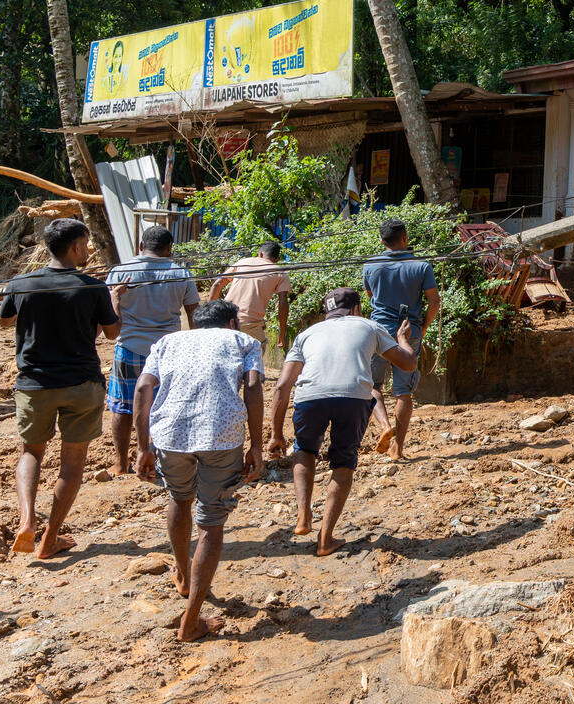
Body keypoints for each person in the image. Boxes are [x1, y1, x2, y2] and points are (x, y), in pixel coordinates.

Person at [133, 300, 264, 642]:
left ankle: (183, 573)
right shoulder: (244, 342)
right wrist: (257, 445)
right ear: (232, 321)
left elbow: (144, 388)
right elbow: (252, 388)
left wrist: (143, 446)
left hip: (170, 434)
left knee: (179, 498)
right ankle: (191, 622)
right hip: (222, 436)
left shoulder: (166, 343)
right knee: (211, 523)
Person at [0, 219, 120, 558]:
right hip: (81, 384)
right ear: (76, 247)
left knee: (31, 452)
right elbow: (111, 333)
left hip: (34, 384)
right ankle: (49, 538)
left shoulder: (21, 282)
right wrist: (114, 303)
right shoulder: (93, 287)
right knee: (73, 462)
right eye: (86, 244)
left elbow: (5, 321)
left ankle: (26, 521)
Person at [266, 288, 416, 555]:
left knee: (305, 450)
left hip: (309, 396)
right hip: (353, 397)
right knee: (344, 462)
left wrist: (275, 433)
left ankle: (303, 515)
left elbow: (281, 386)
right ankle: (325, 539)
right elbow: (408, 364)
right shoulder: (369, 326)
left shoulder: (306, 334)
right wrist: (403, 339)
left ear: (328, 311)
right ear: (357, 308)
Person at [107, 226, 200, 475]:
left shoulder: (120, 272)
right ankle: (156, 459)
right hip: (167, 352)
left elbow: (108, 311)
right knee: (163, 406)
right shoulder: (181, 273)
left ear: (140, 246)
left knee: (123, 406)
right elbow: (194, 314)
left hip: (128, 348)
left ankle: (120, 463)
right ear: (169, 249)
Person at [361, 219, 439, 460]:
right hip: (408, 331)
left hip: (377, 332)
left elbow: (370, 296)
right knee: (403, 393)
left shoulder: (370, 265)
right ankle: (398, 448)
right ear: (405, 238)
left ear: (382, 241)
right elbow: (434, 302)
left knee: (373, 387)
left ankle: (384, 425)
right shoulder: (422, 266)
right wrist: (423, 327)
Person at [210, 240, 291, 354]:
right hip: (251, 326)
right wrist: (282, 332)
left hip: (225, 320)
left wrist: (210, 317)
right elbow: (283, 303)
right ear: (277, 259)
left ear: (260, 254)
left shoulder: (242, 262)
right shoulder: (280, 273)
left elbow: (217, 284)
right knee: (253, 365)